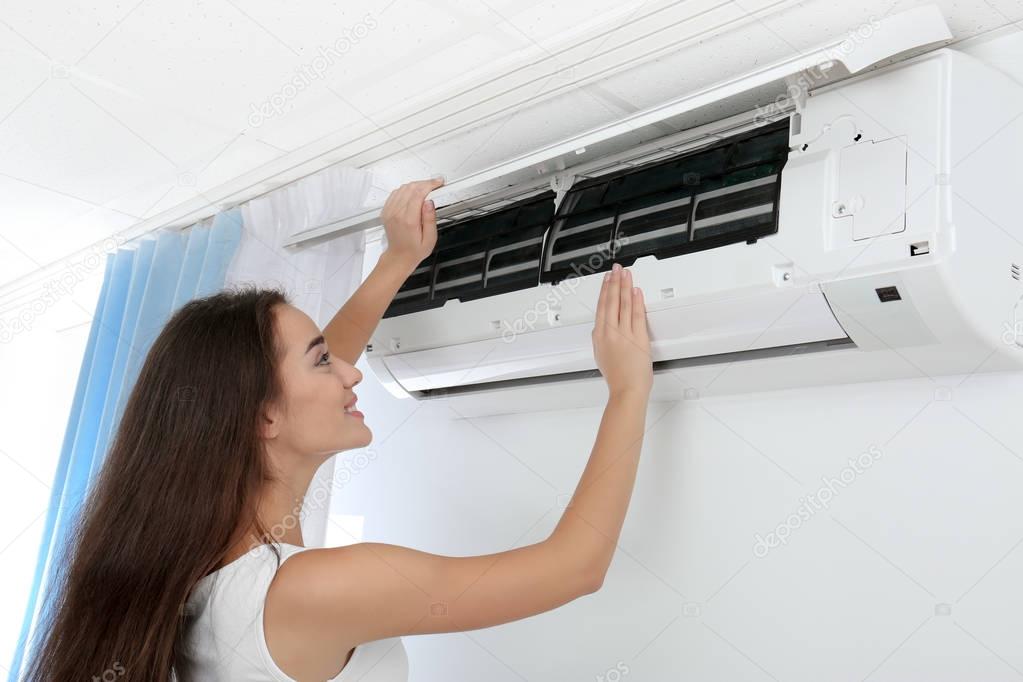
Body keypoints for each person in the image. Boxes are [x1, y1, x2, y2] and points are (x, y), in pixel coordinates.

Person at [24, 178, 653, 681]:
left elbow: (297, 388)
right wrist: (627, 392)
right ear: (261, 417)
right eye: (323, 360)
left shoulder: (208, 576)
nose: (352, 372)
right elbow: (573, 568)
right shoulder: (310, 589)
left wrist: (398, 260)